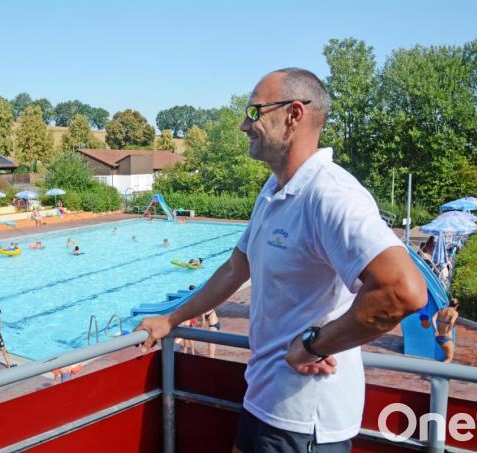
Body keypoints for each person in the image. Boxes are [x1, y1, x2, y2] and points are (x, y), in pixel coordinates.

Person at [136, 68, 426, 452]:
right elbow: (234, 269)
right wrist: (171, 319)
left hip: (305, 419)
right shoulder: (274, 190)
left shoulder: (330, 194)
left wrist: (314, 345)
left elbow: (403, 290)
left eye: (254, 111)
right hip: (263, 398)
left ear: (294, 114)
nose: (243, 125)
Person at [432, 298, 460, 363]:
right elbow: (452, 322)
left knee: (444, 356)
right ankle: (439, 371)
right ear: (457, 306)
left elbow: (433, 319)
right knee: (449, 358)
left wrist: (436, 330)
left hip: (438, 336)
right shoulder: (455, 313)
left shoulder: (441, 310)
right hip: (446, 337)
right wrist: (447, 332)